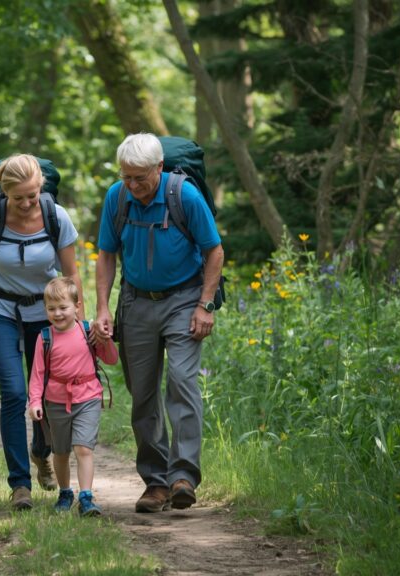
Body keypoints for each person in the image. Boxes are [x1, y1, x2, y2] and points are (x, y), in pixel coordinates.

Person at [93, 133, 225, 513]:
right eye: (127, 177)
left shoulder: (184, 196)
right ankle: (156, 481)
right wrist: (103, 308)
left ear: (159, 168)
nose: (132, 186)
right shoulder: (117, 197)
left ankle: (182, 476)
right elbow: (106, 255)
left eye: (140, 178)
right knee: (143, 392)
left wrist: (205, 304)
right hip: (136, 303)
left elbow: (213, 249)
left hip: (184, 300)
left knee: (183, 383)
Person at [0, 153, 85, 510]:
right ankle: (19, 485)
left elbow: (72, 277)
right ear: (5, 193)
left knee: (45, 395)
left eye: (32, 194)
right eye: (19, 198)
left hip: (48, 315)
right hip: (1, 310)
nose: (27, 203)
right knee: (14, 392)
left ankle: (41, 451)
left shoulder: (56, 217)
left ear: (41, 186)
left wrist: (81, 327)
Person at [28, 277, 117, 516]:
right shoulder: (44, 337)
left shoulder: (87, 330)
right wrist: (35, 401)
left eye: (63, 307)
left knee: (83, 448)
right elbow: (37, 374)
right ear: (45, 310)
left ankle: (86, 496)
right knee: (61, 451)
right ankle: (65, 492)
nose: (58, 313)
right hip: (56, 401)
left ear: (77, 306)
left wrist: (105, 339)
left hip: (88, 397)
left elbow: (110, 359)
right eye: (51, 308)